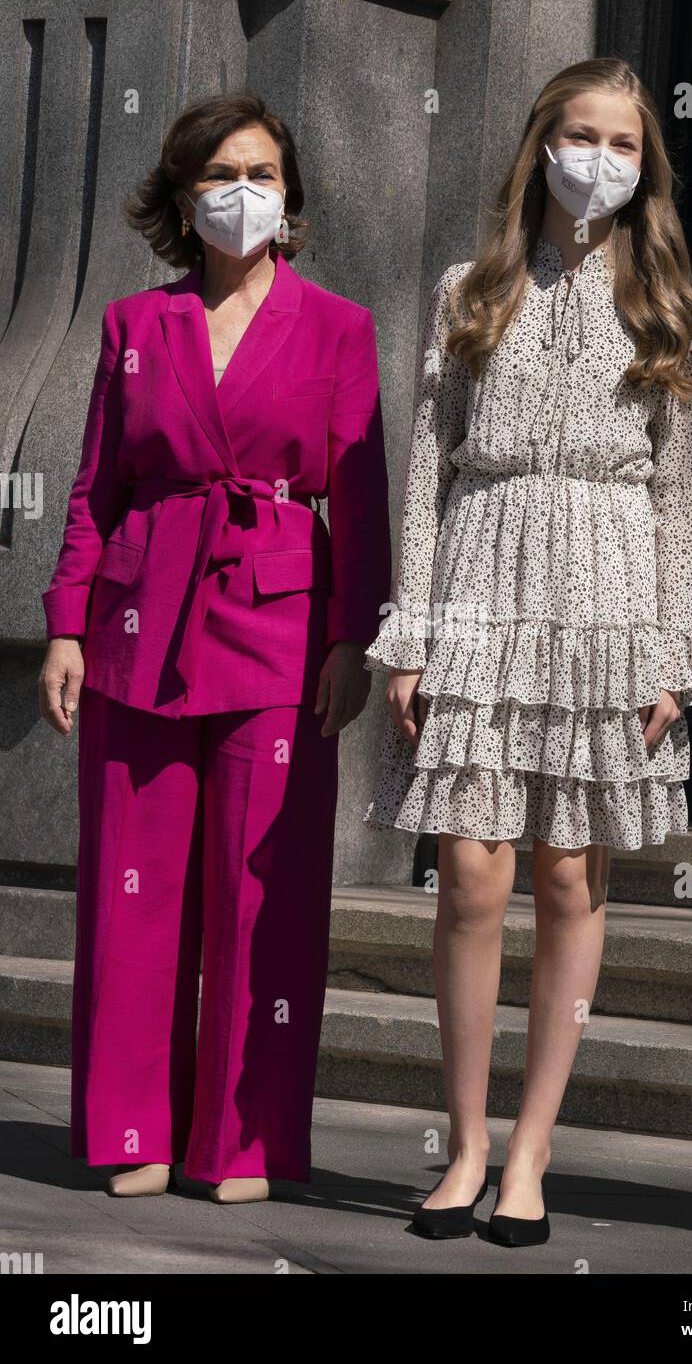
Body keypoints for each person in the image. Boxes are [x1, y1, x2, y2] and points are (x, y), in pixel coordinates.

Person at [364, 58, 692, 1247]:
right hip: (480, 572)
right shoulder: (469, 289)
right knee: (468, 872)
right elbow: (424, 467)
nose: (598, 160)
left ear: (644, 167)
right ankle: (461, 1145)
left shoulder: (664, 305)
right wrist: (408, 630)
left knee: (568, 875)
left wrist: (670, 651)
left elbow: (684, 496)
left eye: (622, 144)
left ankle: (529, 1153)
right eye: (579, 136)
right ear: (538, 147)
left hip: (609, 595)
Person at [37, 91, 390, 1204]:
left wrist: (355, 637)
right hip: (140, 623)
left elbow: (363, 500)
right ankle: (131, 1125)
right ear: (184, 202)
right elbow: (97, 487)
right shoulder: (134, 327)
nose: (245, 193)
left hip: (283, 631)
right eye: (221, 175)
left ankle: (241, 1140)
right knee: (133, 893)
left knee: (262, 893)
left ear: (289, 199)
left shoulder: (339, 326)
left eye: (265, 174)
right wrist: (62, 623)